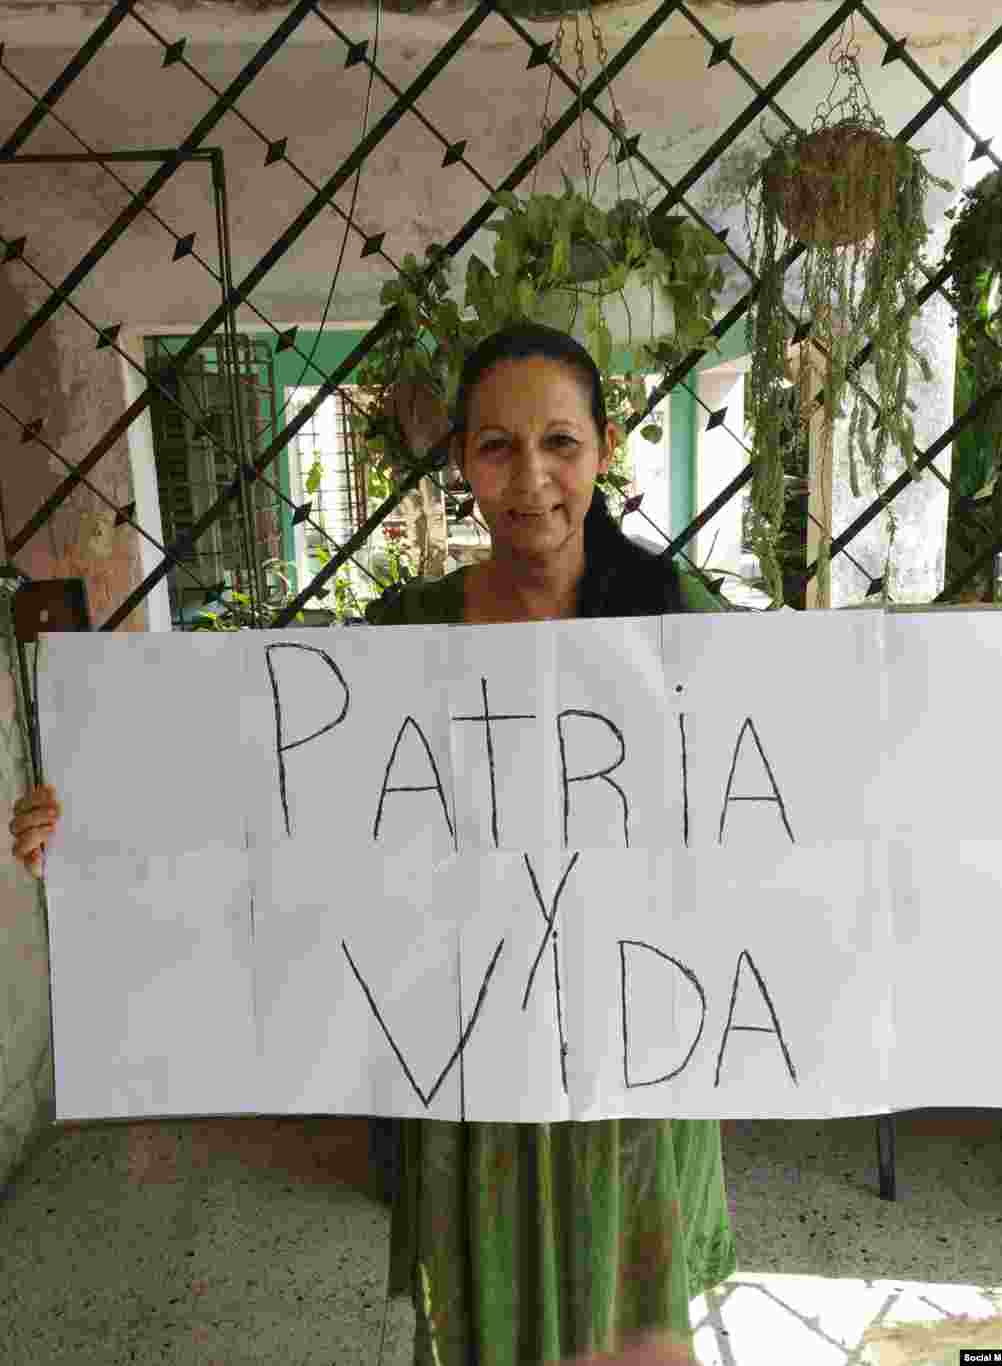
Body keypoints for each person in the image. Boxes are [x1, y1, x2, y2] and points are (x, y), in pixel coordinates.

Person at [10, 322, 736, 1365]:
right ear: (462, 460)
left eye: (559, 443)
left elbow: (791, 798)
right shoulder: (406, 634)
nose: (530, 477)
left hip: (636, 1057)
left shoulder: (681, 615)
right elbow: (277, 788)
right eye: (497, 446)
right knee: (489, 1328)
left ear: (604, 447)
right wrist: (94, 815)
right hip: (471, 1057)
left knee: (636, 1338)